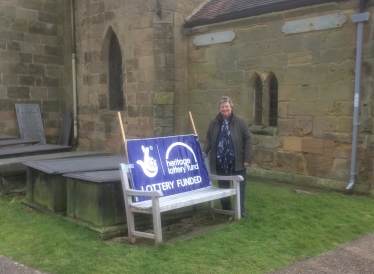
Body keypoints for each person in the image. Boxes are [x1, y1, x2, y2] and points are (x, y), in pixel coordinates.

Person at [202, 96, 252, 218]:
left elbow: (248, 139)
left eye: (227, 106)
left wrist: (247, 158)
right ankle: (226, 210)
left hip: (237, 160)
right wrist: (204, 152)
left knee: (239, 186)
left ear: (231, 107)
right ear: (219, 108)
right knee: (223, 187)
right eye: (222, 107)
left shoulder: (239, 121)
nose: (225, 109)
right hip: (220, 160)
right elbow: (209, 138)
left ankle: (240, 210)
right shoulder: (214, 122)